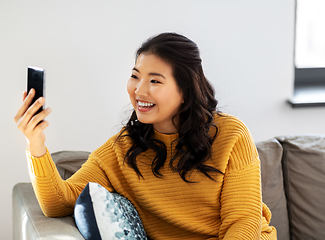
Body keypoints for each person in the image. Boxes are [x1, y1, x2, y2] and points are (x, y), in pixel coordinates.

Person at [14, 32, 277, 239]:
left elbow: (243, 224)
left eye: (155, 81)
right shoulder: (122, 149)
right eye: (135, 76)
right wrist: (35, 142)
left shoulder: (231, 135)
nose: (139, 90)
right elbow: (57, 203)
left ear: (186, 90)